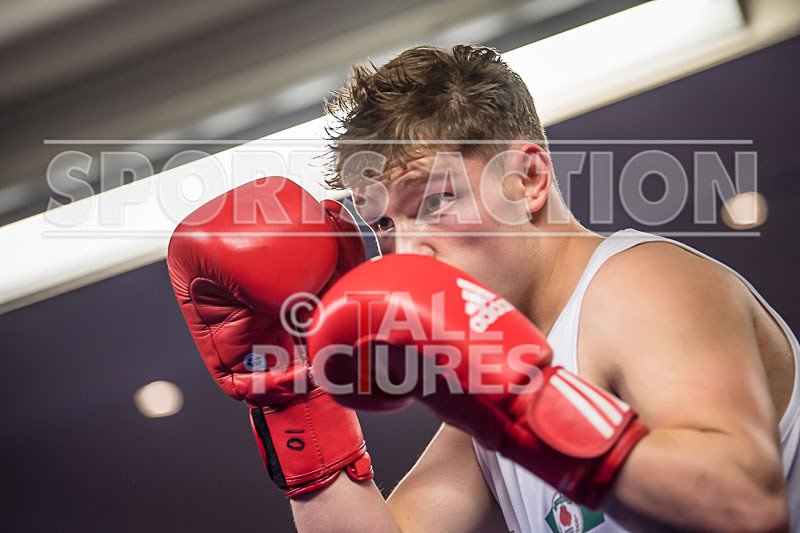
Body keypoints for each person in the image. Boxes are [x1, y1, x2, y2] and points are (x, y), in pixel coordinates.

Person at [168, 45, 798, 532]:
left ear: (526, 178)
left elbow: (744, 507)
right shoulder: (499, 385)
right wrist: (293, 395)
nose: (409, 249)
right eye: (386, 222)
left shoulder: (641, 286)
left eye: (436, 201)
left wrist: (522, 408)